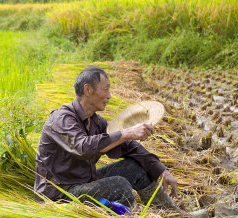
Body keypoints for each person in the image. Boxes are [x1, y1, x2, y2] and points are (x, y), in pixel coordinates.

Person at [34, 66, 179, 209]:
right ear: (88, 90)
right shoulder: (62, 119)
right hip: (59, 194)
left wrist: (162, 170)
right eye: (105, 89)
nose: (109, 95)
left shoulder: (97, 122)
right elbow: (83, 147)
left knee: (133, 168)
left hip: (85, 181)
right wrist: (127, 132)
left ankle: (172, 213)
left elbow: (129, 146)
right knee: (119, 185)